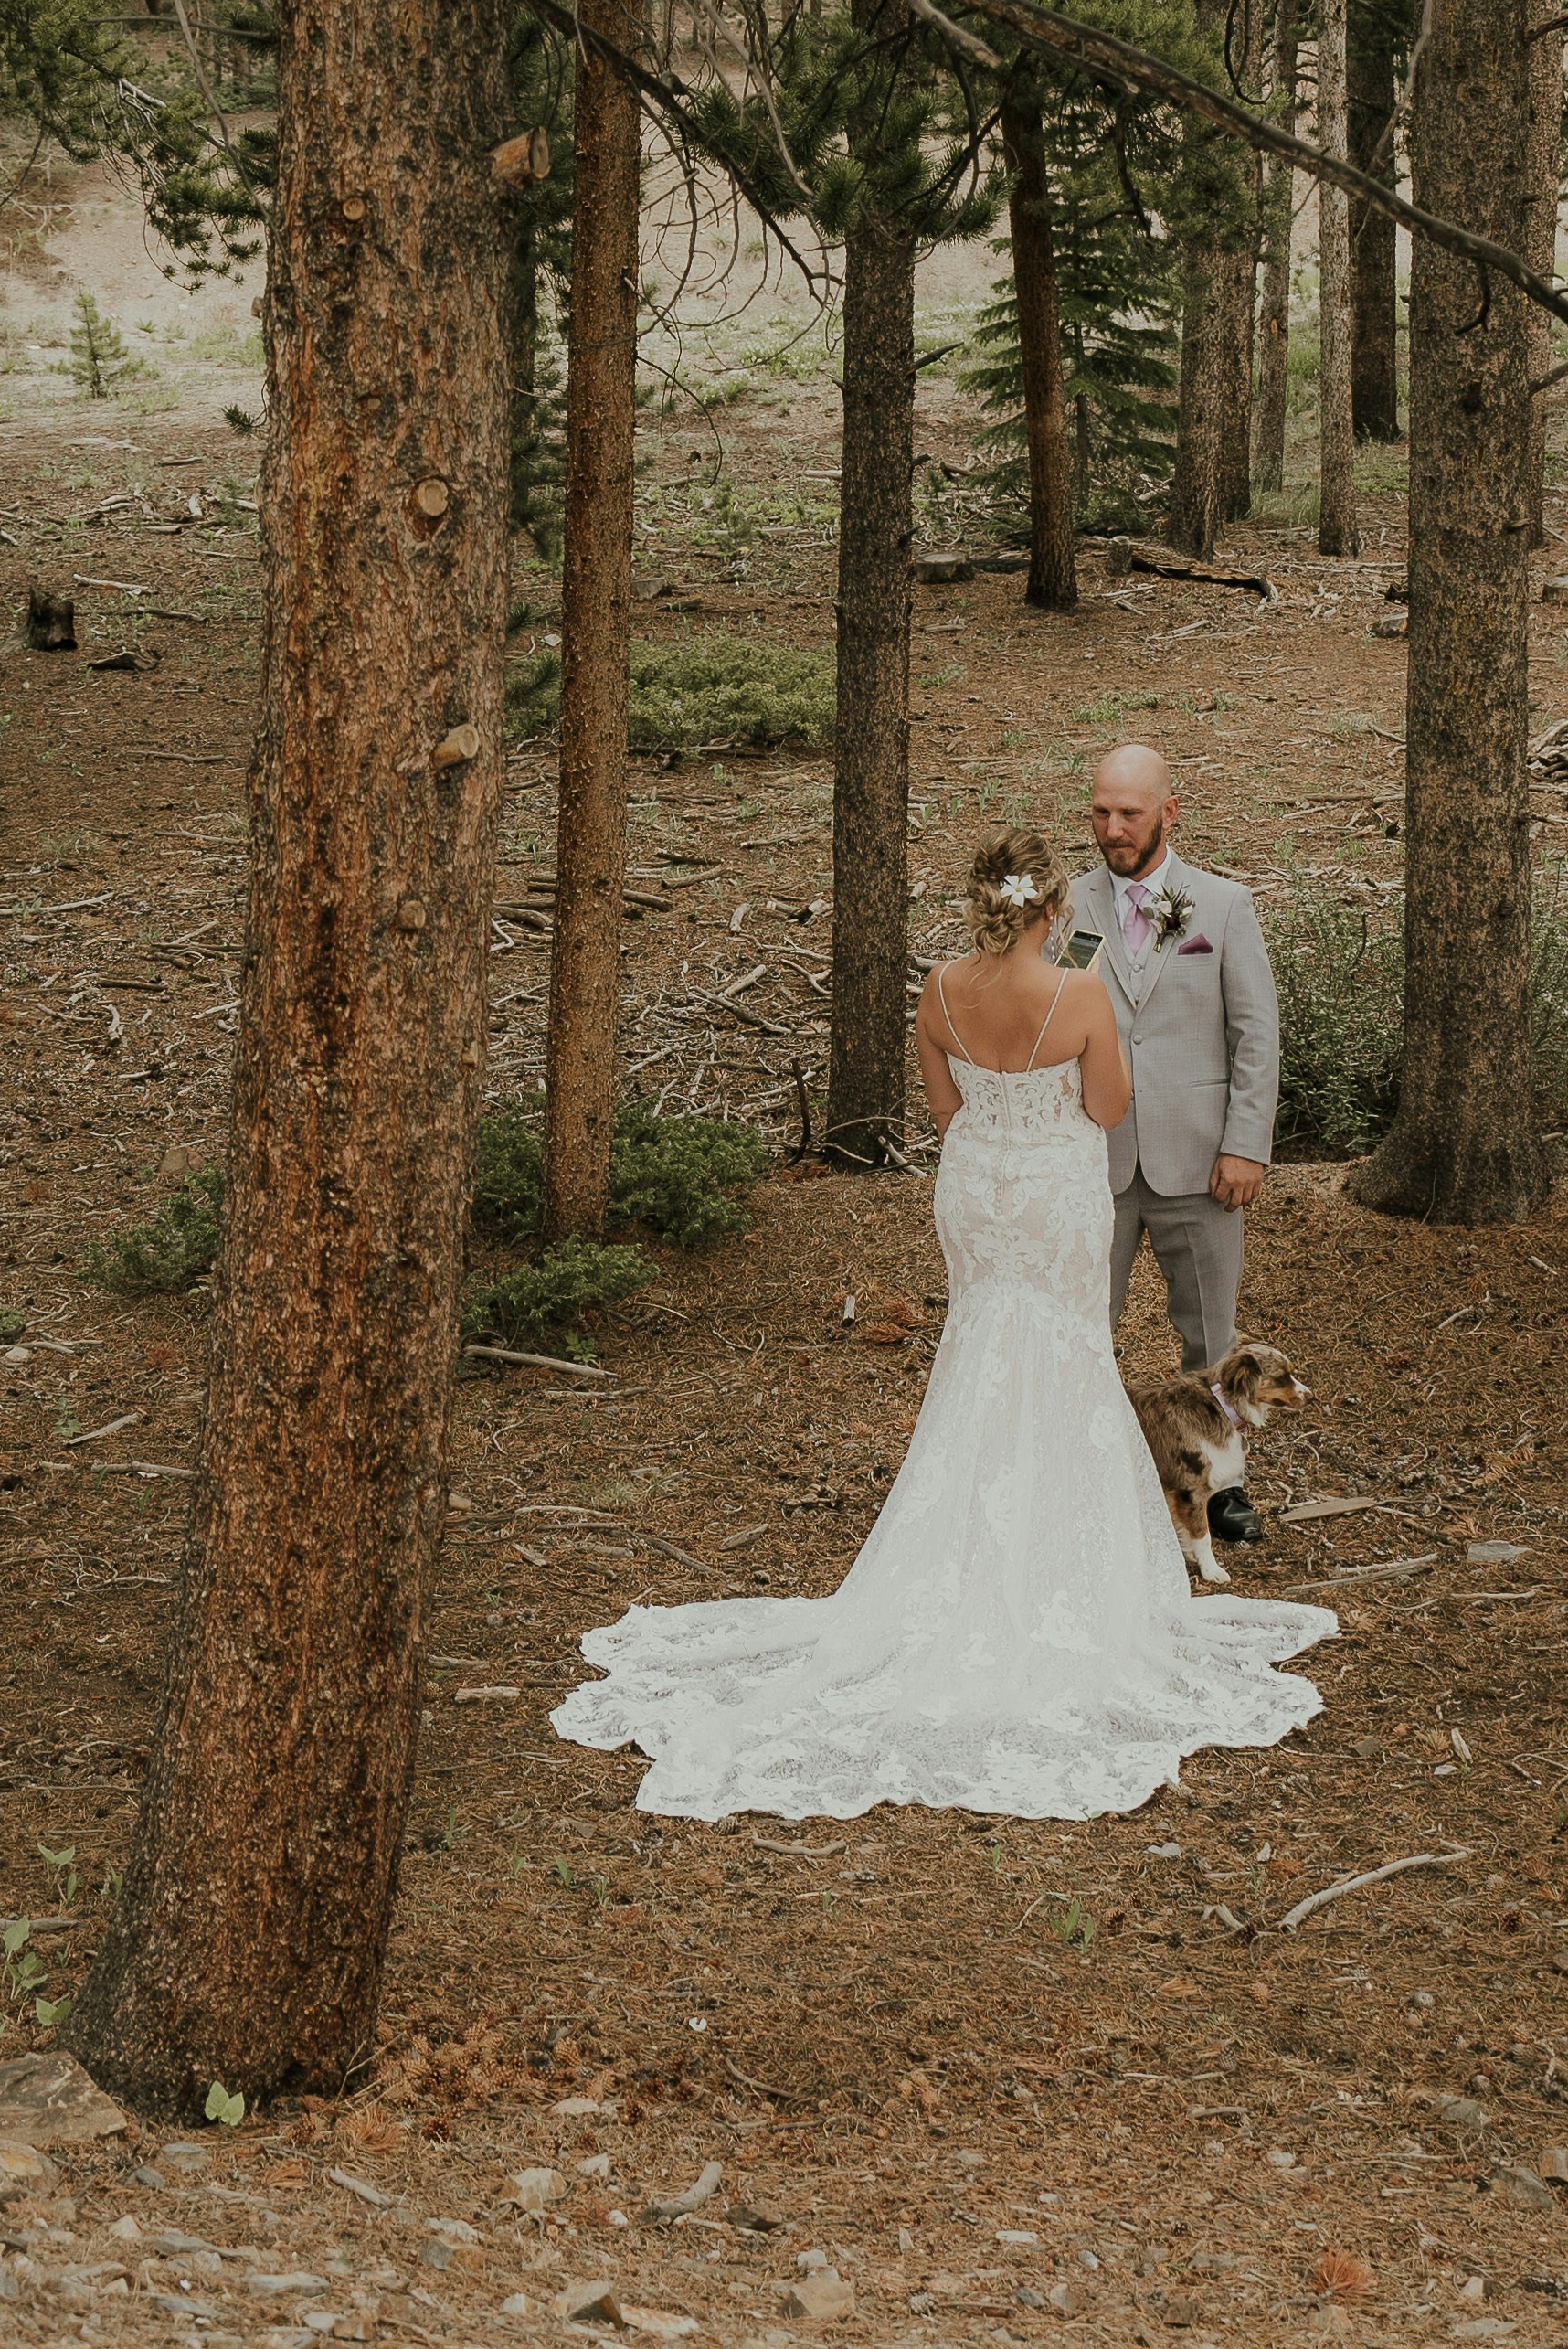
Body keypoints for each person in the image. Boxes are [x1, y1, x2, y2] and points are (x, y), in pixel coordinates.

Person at [551, 828, 1333, 1823]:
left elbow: (947, 1109)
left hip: (977, 1189)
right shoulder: (1079, 993)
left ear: (982, 903)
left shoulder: (937, 986)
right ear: (1052, 910)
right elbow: (1104, 1106)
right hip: (1053, 1190)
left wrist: (1001, 1122)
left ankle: (966, 1545)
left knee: (980, 1350)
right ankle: (1065, 1568)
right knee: (1062, 1355)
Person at [1069, 740, 1279, 1377]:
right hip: (1091, 1162)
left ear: (1170, 811)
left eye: (1130, 813)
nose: (1113, 829)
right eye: (1101, 812)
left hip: (1200, 1164)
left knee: (1212, 1343)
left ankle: (1218, 1477)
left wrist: (1246, 1143)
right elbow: (1050, 1021)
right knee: (1078, 1333)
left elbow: (1256, 1033)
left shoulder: (1222, 905)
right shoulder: (1065, 905)